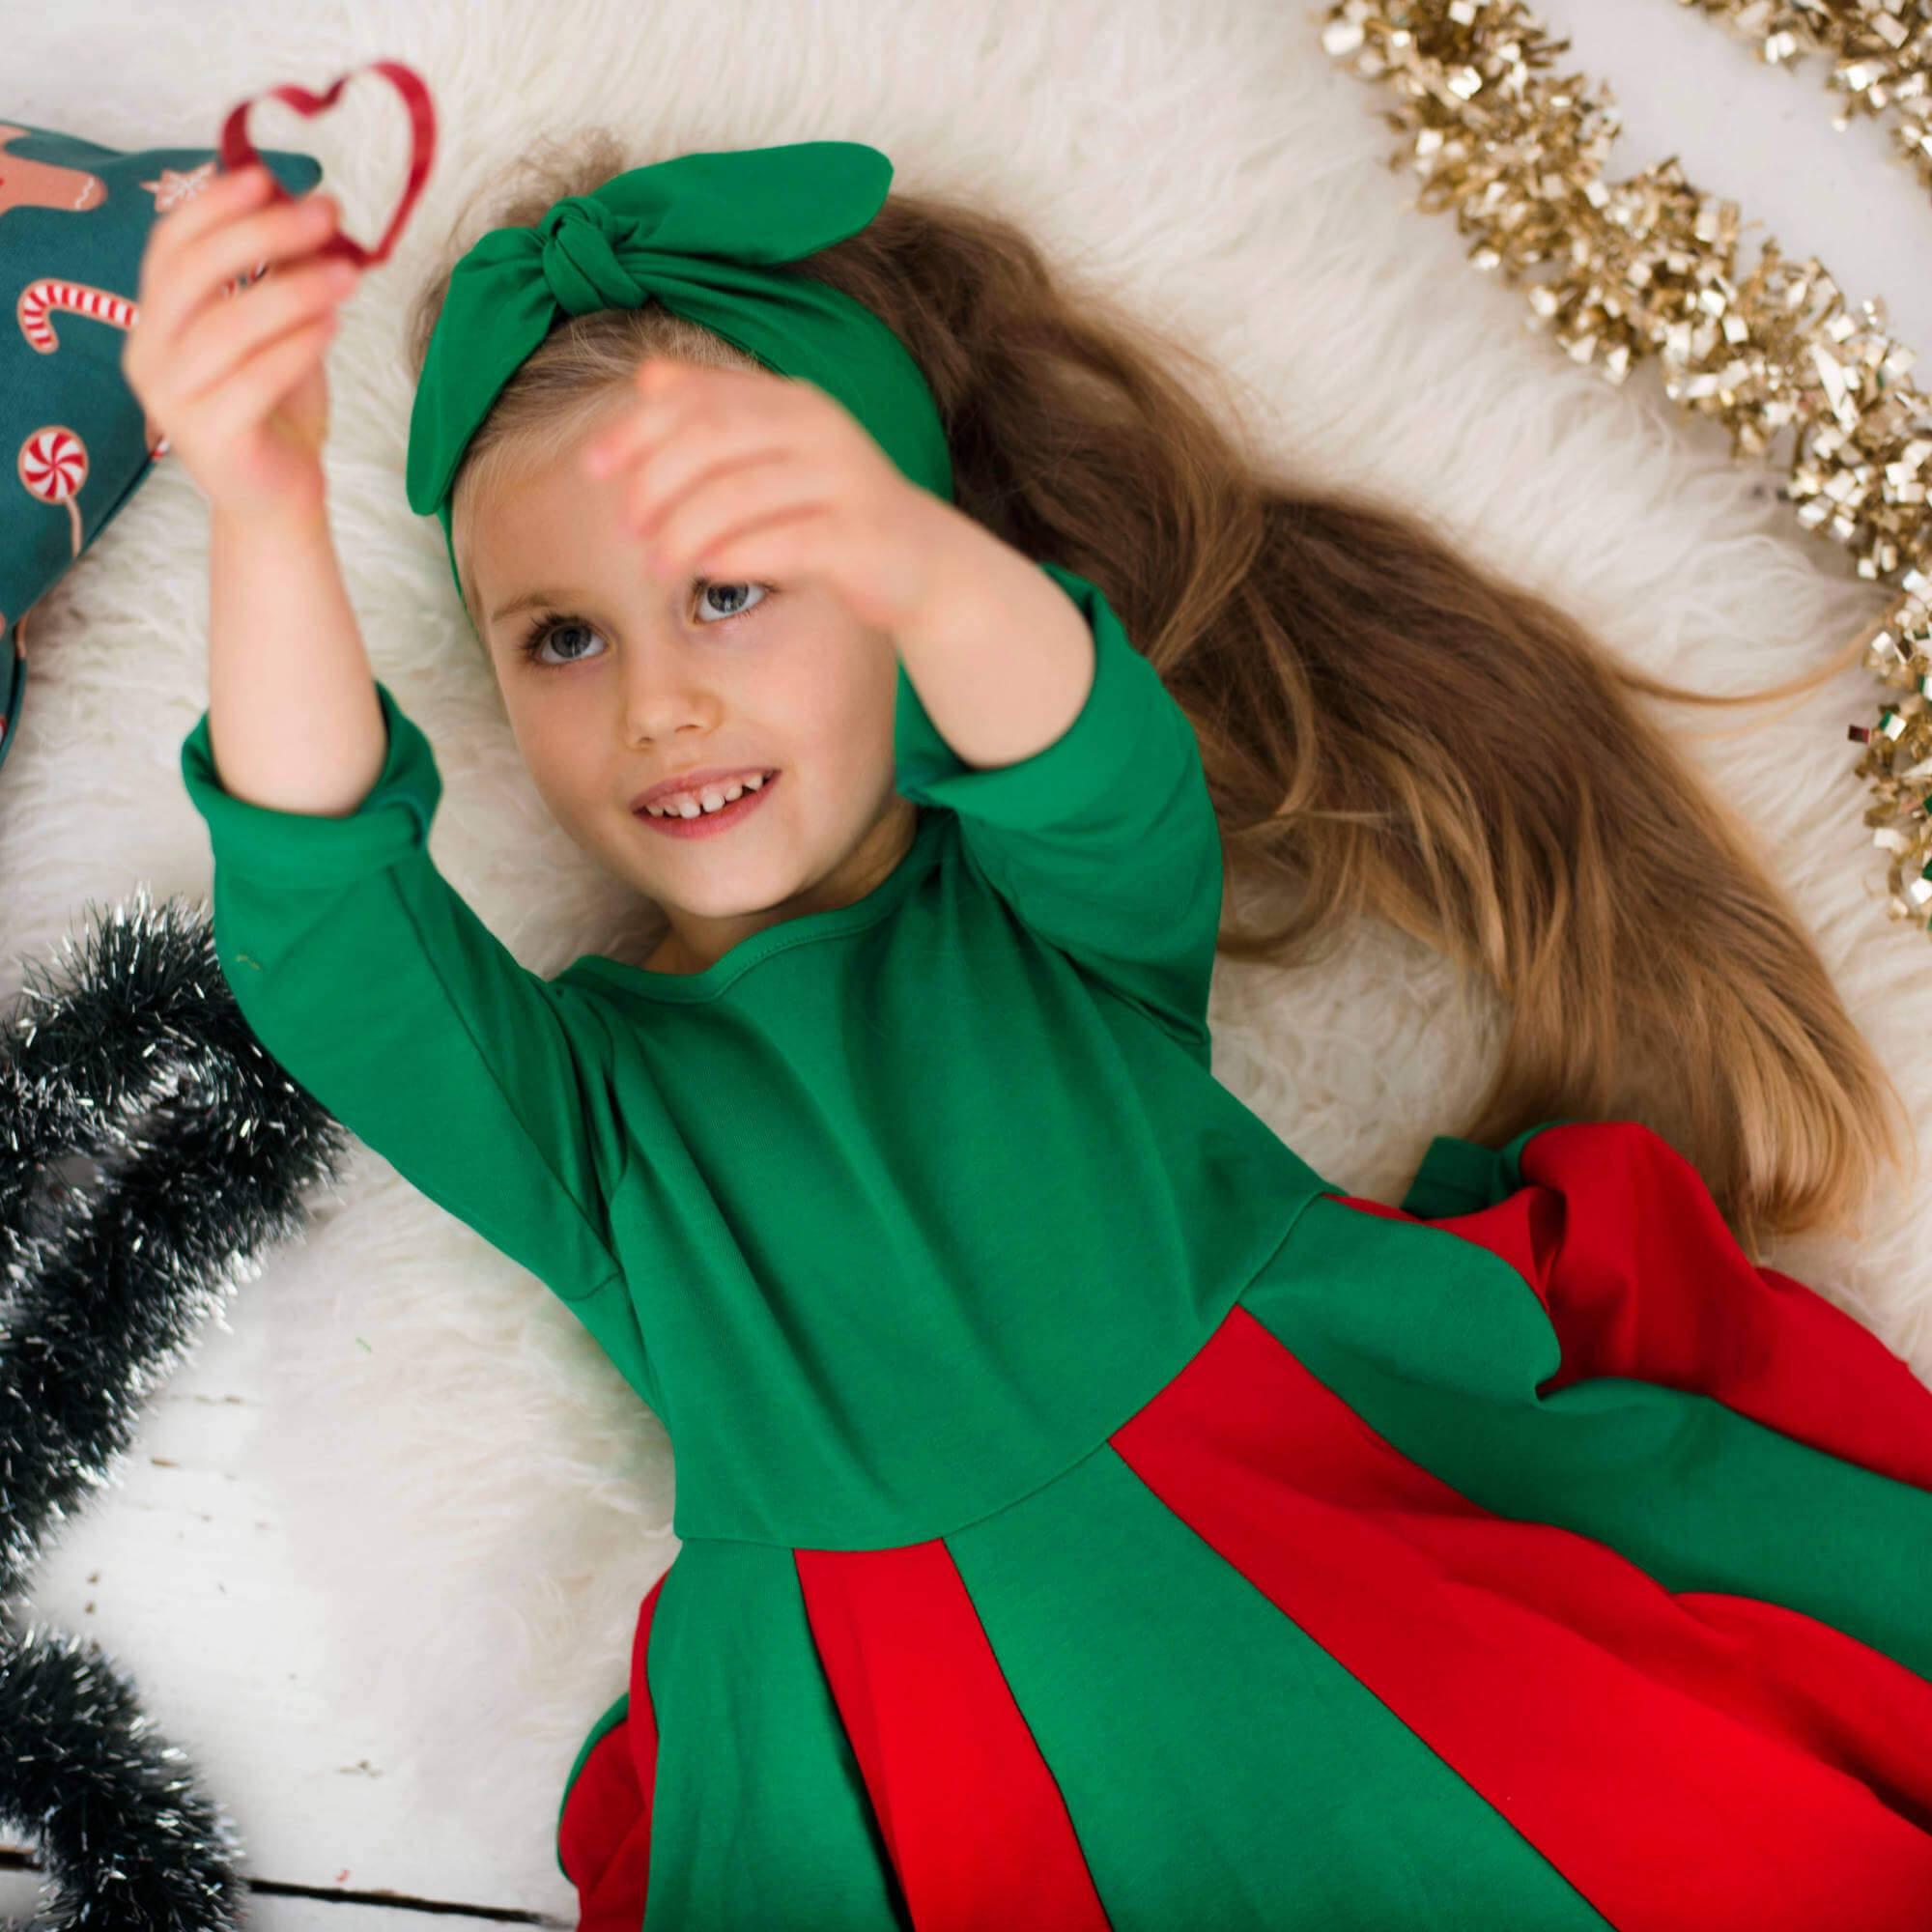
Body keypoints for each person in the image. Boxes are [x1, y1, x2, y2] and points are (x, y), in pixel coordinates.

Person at [129, 129, 1932, 1929]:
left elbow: (1074, 737)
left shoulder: (1052, 911)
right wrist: (263, 508)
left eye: (734, 589)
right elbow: (335, 935)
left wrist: (902, 548)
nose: (663, 703)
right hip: (912, 1742)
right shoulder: (597, 1119)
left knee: (1677, 1838)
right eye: (562, 640)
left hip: (1322, 1504)